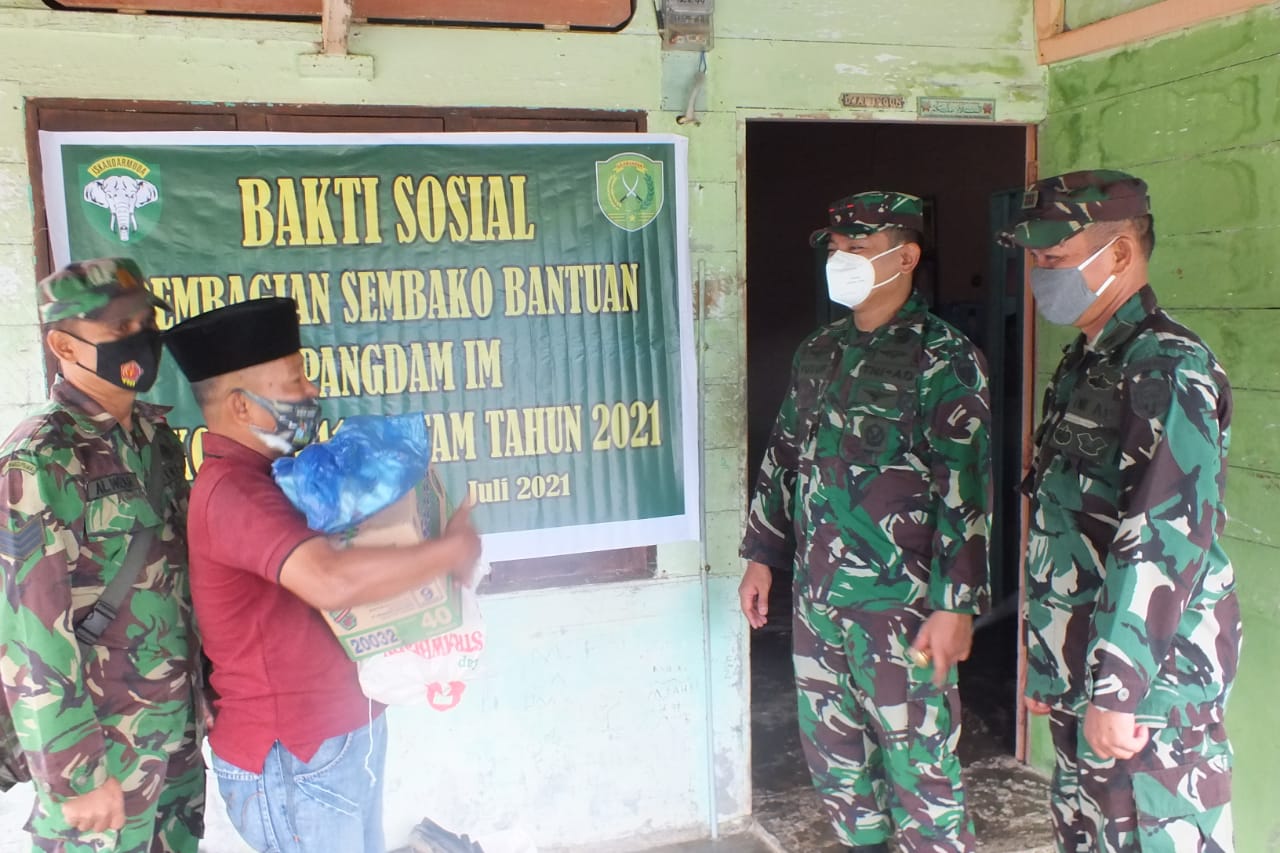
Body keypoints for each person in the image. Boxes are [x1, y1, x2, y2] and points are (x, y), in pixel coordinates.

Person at [163, 297, 480, 853]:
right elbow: (328, 579)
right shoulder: (233, 492)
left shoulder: (281, 478)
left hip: (333, 739)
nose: (311, 391)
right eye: (293, 380)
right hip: (294, 757)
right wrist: (448, 553)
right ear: (240, 406)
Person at [739, 192, 992, 852]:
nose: (838, 258)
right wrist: (762, 551)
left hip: (902, 612)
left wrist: (954, 604)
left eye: (856, 246)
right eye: (834, 247)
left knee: (923, 778)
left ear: (904, 256)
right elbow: (784, 454)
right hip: (819, 606)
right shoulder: (818, 352)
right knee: (840, 775)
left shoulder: (944, 356)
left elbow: (964, 489)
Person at [1001, 170, 1240, 852]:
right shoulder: (1086, 363)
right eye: (1037, 261)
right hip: (1089, 672)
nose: (1040, 274)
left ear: (1121, 255)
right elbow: (1068, 522)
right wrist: (1051, 661)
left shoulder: (1168, 367)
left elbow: (1162, 537)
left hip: (1149, 687)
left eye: (1055, 259)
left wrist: (1118, 687)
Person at [0, 258, 204, 852]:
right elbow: (29, 637)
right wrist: (76, 776)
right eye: (119, 328)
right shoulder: (39, 461)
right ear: (63, 343)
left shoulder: (154, 438)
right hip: (101, 743)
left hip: (173, 730)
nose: (140, 337)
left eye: (145, 321)